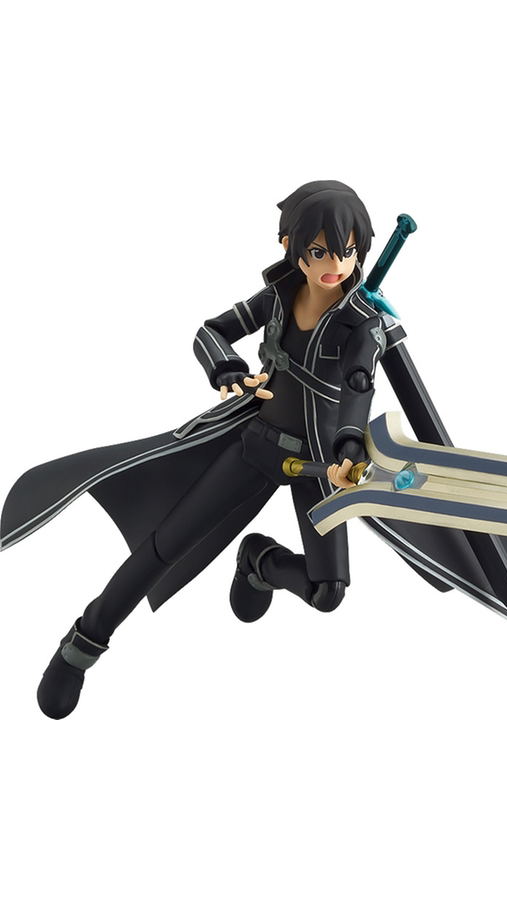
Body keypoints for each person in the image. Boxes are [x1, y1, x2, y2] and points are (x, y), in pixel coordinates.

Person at [2, 180, 388, 718]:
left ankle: (259, 562)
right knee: (165, 547)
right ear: (291, 246)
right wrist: (226, 369)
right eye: (320, 251)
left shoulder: (363, 325)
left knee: (328, 592)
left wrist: (349, 450)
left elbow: (357, 391)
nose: (335, 265)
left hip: (320, 464)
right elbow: (211, 332)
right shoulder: (278, 297)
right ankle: (82, 644)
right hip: (258, 445)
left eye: (347, 251)